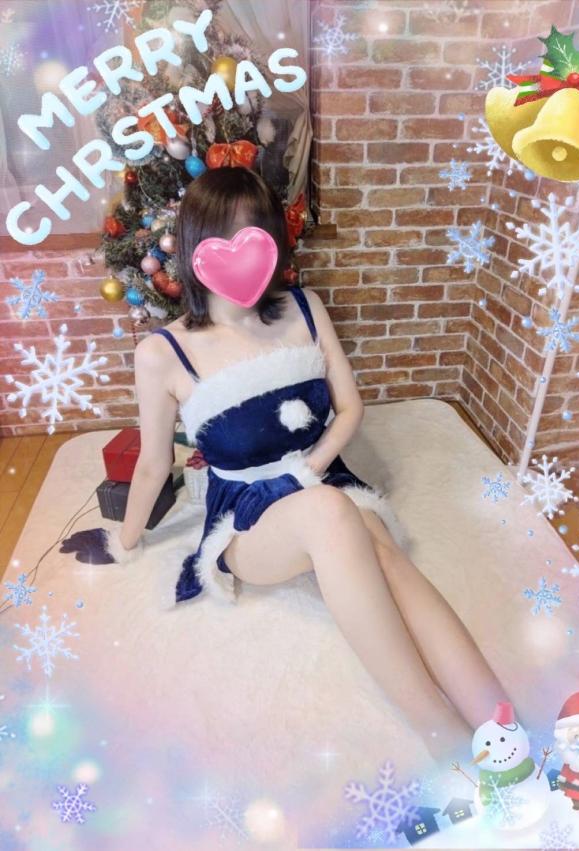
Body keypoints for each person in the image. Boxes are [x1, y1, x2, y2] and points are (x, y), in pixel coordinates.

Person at [65, 166, 508, 760]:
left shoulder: (305, 308)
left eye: (256, 236)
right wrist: (124, 542)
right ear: (195, 249)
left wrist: (309, 469)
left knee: (381, 550)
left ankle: (502, 726)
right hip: (246, 517)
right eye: (225, 239)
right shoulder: (162, 352)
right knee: (330, 514)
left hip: (325, 478)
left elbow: (349, 409)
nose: (244, 254)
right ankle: (446, 739)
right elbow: (151, 465)